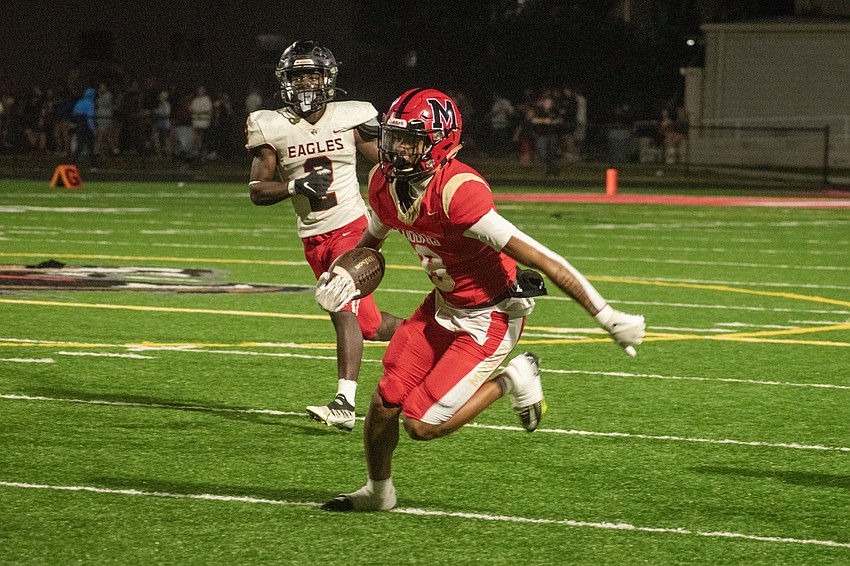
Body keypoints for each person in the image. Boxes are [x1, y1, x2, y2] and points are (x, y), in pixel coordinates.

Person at [314, 88, 646, 512]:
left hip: (489, 315)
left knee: (420, 423)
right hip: (442, 305)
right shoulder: (383, 183)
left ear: (440, 142)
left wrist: (607, 316)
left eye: (409, 140)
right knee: (383, 403)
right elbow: (370, 246)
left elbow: (544, 259)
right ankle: (380, 493)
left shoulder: (459, 193)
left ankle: (514, 378)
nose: (396, 149)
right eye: (393, 137)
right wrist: (343, 274)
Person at [245, 40, 403, 431]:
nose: (305, 84)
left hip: (351, 229)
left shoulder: (351, 116)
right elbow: (256, 191)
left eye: (312, 75)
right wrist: (296, 187)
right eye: (298, 77)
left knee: (340, 304)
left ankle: (344, 403)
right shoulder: (271, 124)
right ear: (285, 81)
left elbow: (387, 163)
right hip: (313, 237)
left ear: (328, 78)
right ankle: (442, 334)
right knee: (370, 325)